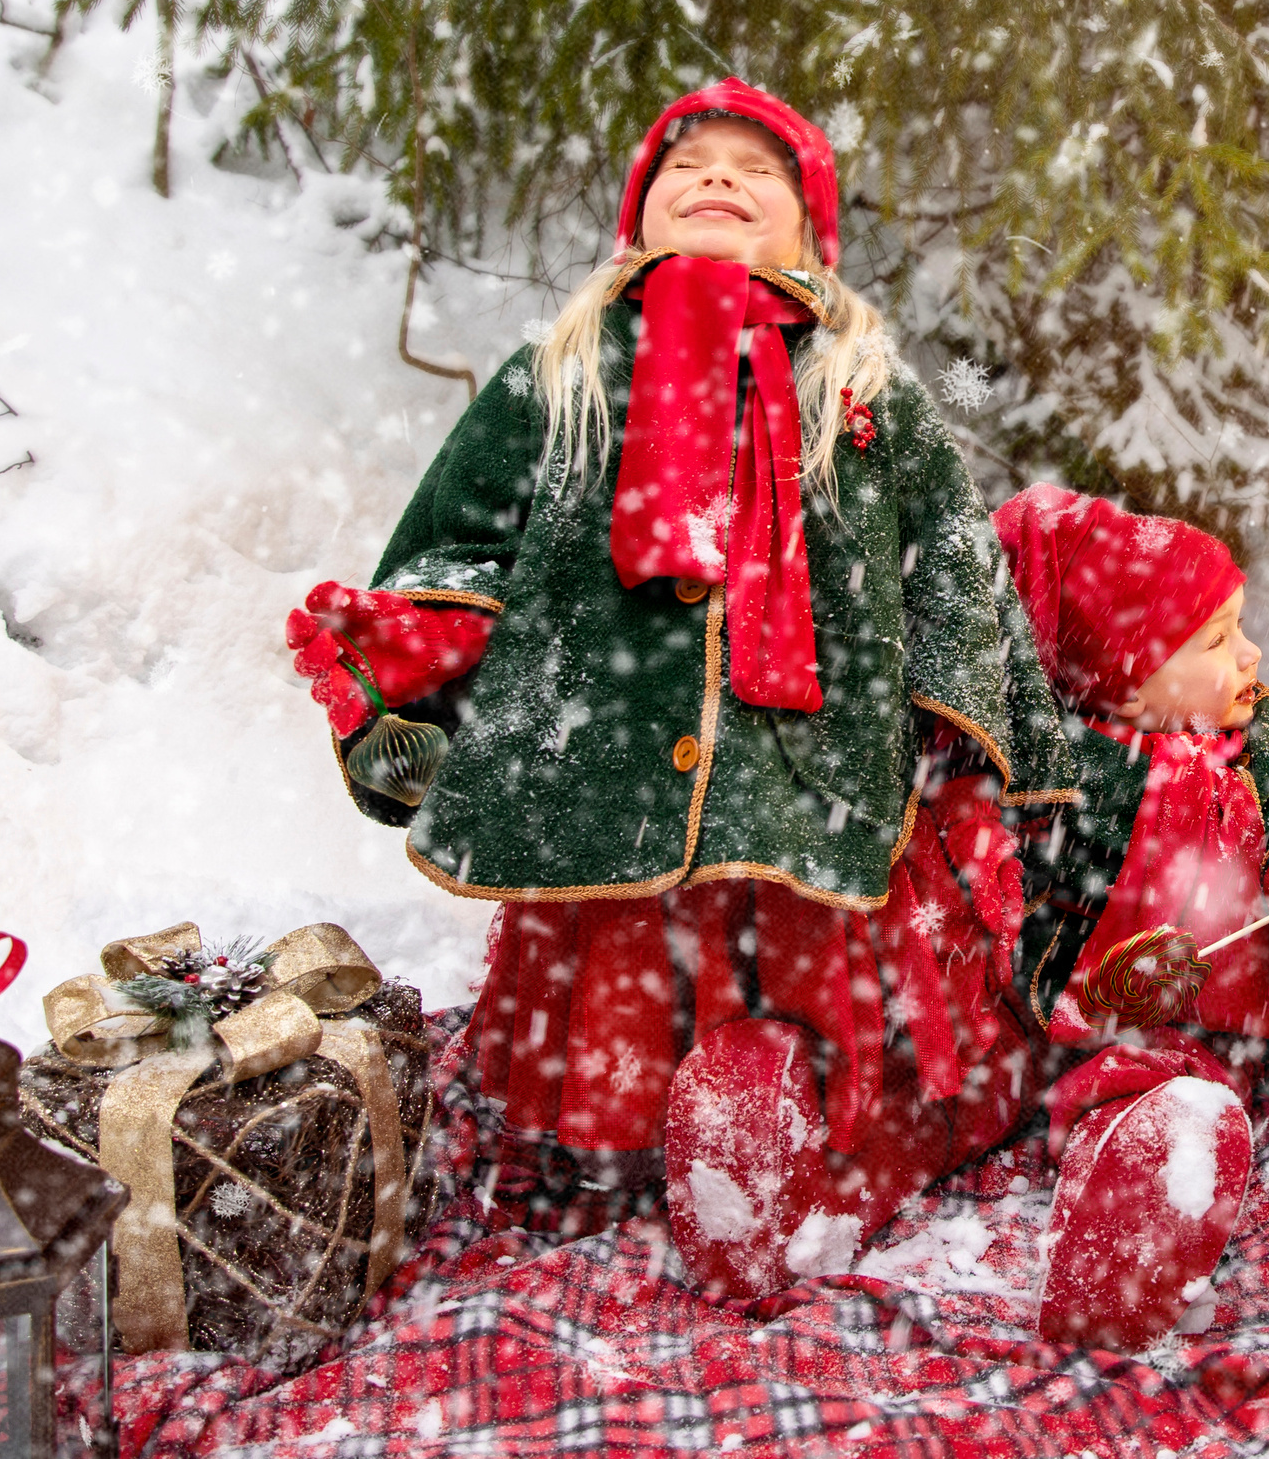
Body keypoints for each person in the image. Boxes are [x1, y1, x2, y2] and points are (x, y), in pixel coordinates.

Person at [284, 79, 1070, 1297]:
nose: (717, 180)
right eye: (686, 165)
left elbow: (953, 565)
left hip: (810, 773)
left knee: (812, 978)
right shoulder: (560, 372)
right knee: (617, 972)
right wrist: (421, 640)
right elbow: (465, 537)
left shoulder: (864, 387)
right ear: (637, 214)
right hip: (599, 759)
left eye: (757, 171)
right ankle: (619, 1161)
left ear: (812, 229)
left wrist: (976, 742)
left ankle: (781, 1160)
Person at [994, 483, 1269, 1349]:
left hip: (1218, 1047)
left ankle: (1147, 1193)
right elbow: (1005, 891)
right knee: (989, 1087)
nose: (1251, 654)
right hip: (1059, 1041)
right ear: (1125, 678)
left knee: (1173, 1107)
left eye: (1240, 627)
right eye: (1218, 640)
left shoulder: (1266, 760)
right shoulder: (1064, 777)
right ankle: (812, 1162)